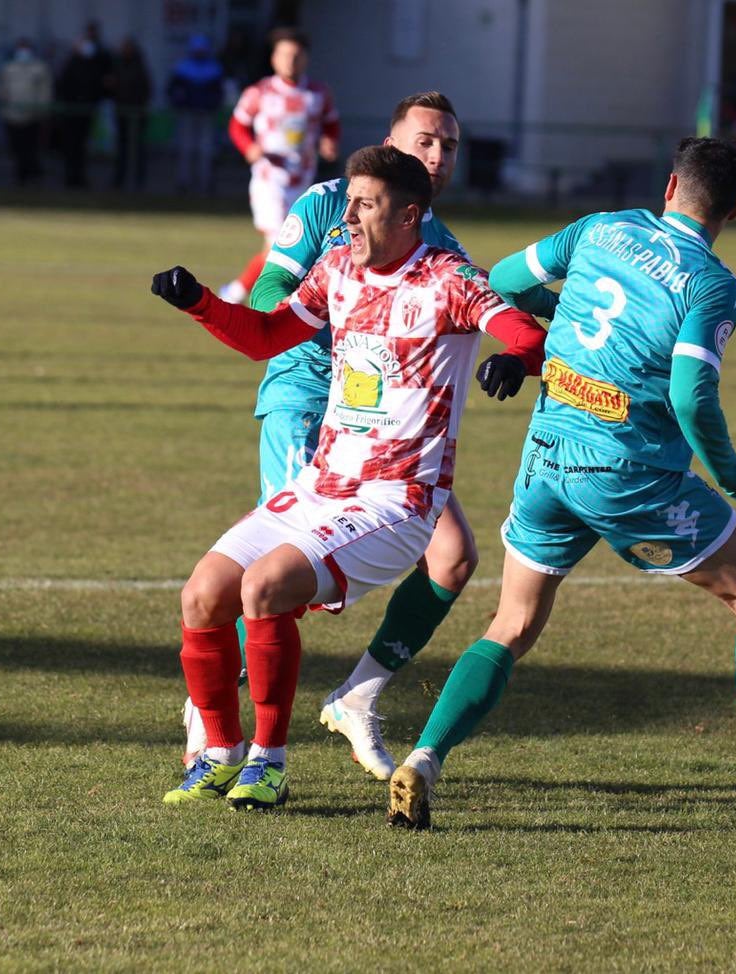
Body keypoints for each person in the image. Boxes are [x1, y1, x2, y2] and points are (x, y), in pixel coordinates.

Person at [385, 137, 736, 839]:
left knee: (513, 624)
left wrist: (568, 320)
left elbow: (507, 283)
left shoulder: (602, 226)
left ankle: (424, 760)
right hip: (627, 476)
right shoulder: (712, 285)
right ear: (733, 210)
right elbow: (690, 394)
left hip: (548, 456)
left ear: (669, 186)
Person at [151, 146, 549, 811]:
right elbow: (266, 336)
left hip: (399, 499)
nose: (349, 220)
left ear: (409, 215)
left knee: (266, 585)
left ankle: (269, 765)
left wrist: (515, 358)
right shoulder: (337, 268)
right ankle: (219, 754)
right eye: (350, 204)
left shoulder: (448, 280)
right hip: (323, 483)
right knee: (202, 595)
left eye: (366, 206)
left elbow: (523, 332)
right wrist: (198, 303)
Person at [220, 28, 338, 304]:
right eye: (284, 54)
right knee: (278, 245)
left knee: (299, 246)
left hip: (304, 181)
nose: (290, 61)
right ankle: (243, 296)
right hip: (269, 179)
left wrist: (330, 142)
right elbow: (237, 125)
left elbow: (332, 124)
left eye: (296, 55)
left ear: (306, 58)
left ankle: (248, 294)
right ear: (274, 58)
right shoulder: (260, 92)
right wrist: (248, 147)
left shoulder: (318, 94)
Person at [52, 22, 113, 189]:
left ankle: (78, 177)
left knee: (81, 145)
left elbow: (106, 83)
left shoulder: (101, 58)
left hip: (87, 108)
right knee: (70, 145)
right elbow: (62, 83)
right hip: (71, 109)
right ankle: (70, 177)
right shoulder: (73, 60)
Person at [167, 34, 223, 194]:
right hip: (187, 113)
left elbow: (218, 93)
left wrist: (211, 104)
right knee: (185, 148)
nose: (199, 53)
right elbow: (172, 90)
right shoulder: (183, 68)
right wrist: (180, 102)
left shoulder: (214, 68)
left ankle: (204, 182)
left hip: (206, 114)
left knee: (206, 149)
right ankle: (183, 181)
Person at [0, 38, 51, 185]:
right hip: (11, 115)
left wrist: (42, 111)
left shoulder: (39, 68)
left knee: (30, 147)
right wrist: (1, 100)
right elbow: (0, 88)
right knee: (16, 147)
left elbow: (45, 92)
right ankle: (22, 174)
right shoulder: (8, 68)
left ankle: (29, 174)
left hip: (32, 115)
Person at [111, 37, 151, 190]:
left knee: (138, 148)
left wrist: (138, 106)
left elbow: (146, 89)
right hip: (121, 112)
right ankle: (119, 179)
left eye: (127, 47)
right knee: (122, 148)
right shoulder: (118, 65)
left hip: (137, 114)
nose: (125, 50)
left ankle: (139, 180)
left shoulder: (139, 66)